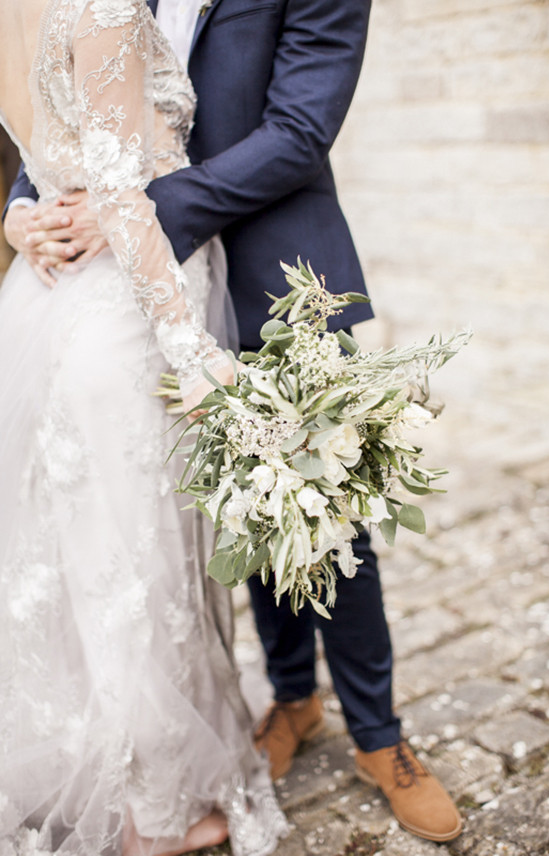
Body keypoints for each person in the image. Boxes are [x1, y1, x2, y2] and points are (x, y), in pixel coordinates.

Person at [4, 0, 462, 844]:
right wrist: (24, 202)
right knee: (228, 513)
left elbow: (298, 132)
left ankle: (381, 736)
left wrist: (140, 207)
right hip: (149, 284)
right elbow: (72, 99)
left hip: (279, 269)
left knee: (329, 510)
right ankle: (292, 698)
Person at [0, 2, 290, 855]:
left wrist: (18, 218)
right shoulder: (101, 6)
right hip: (125, 307)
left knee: (86, 550)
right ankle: (155, 814)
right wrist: (189, 348)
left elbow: (42, 152)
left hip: (48, 298)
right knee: (138, 556)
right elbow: (125, 197)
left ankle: (106, 776)